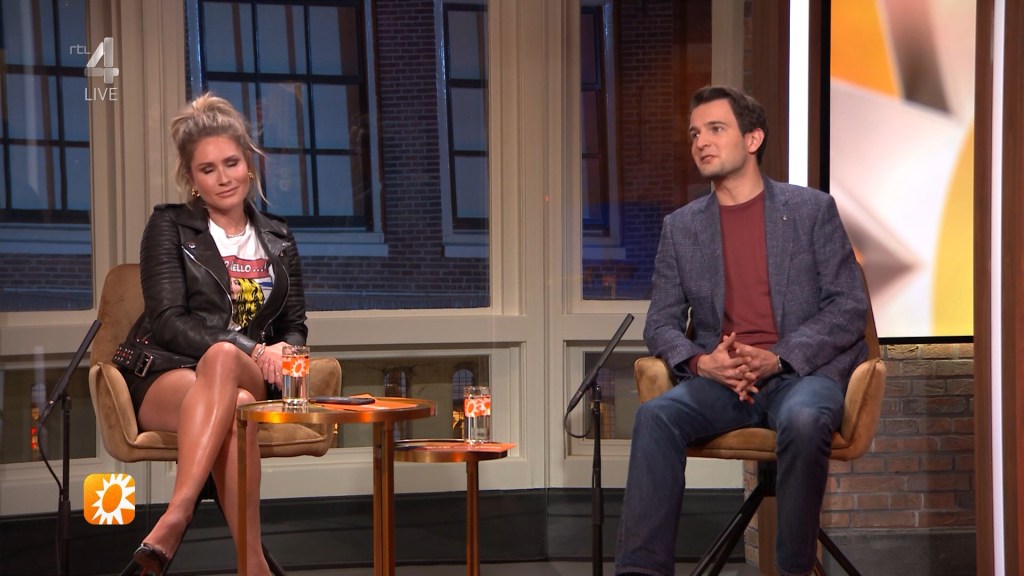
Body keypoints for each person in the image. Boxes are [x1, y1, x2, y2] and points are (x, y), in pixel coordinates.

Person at [615, 86, 867, 576]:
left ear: (753, 139)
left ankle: (793, 569)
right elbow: (660, 321)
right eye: (695, 133)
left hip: (801, 375)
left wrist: (779, 356)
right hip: (724, 383)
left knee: (803, 420)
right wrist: (700, 362)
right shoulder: (681, 227)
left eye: (716, 129)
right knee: (655, 417)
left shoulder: (811, 211)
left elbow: (848, 306)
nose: (701, 142)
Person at [119, 94, 307, 576]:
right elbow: (167, 321)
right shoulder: (169, 225)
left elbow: (294, 326)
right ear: (191, 178)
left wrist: (284, 350)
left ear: (249, 164)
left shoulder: (279, 238)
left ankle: (175, 515)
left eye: (231, 163)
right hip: (167, 372)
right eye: (207, 169)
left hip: (245, 369)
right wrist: (252, 346)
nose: (223, 178)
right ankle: (253, 566)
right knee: (235, 403)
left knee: (224, 360)